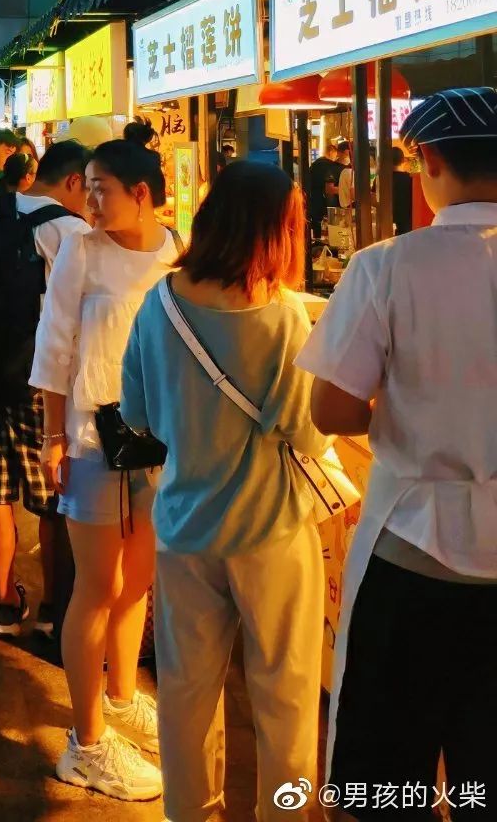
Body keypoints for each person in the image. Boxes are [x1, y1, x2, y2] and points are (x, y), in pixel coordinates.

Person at [298, 89, 497, 811]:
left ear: (431, 160)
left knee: (391, 782)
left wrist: (415, 408)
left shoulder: (388, 267)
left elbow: (332, 410)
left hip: (411, 547)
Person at [121, 162, 327, 822]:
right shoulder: (289, 319)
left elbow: (138, 413)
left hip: (184, 527)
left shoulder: (160, 303)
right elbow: (307, 431)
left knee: (184, 693)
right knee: (286, 697)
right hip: (273, 534)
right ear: (276, 231)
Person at [34, 140, 180, 801]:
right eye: (86, 187)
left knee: (136, 583)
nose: (88, 201)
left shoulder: (175, 251)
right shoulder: (81, 253)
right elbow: (54, 346)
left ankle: (121, 698)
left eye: (101, 189)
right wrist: (52, 438)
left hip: (159, 443)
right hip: (92, 441)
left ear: (143, 193)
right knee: (95, 586)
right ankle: (86, 742)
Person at [0, 140, 92, 639]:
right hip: (41, 384)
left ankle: (5, 606)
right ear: (73, 181)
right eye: (87, 188)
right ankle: (53, 607)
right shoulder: (72, 230)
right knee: (53, 498)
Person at [307, 138, 349, 237]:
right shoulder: (327, 165)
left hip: (314, 200)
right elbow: (329, 188)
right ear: (331, 152)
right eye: (335, 153)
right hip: (321, 202)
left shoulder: (318, 163)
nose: (336, 157)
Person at [389, 144, 414, 235]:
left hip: (386, 225)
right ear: (403, 160)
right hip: (407, 226)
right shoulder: (411, 179)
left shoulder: (381, 180)